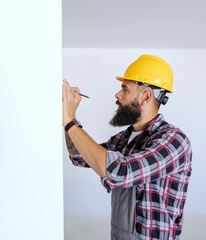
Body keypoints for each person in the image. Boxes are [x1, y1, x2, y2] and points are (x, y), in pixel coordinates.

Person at [62, 55, 192, 240]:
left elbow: (118, 171)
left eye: (125, 88)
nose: (117, 95)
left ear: (146, 96)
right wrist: (71, 118)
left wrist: (69, 122)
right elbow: (79, 156)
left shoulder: (174, 141)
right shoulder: (124, 139)